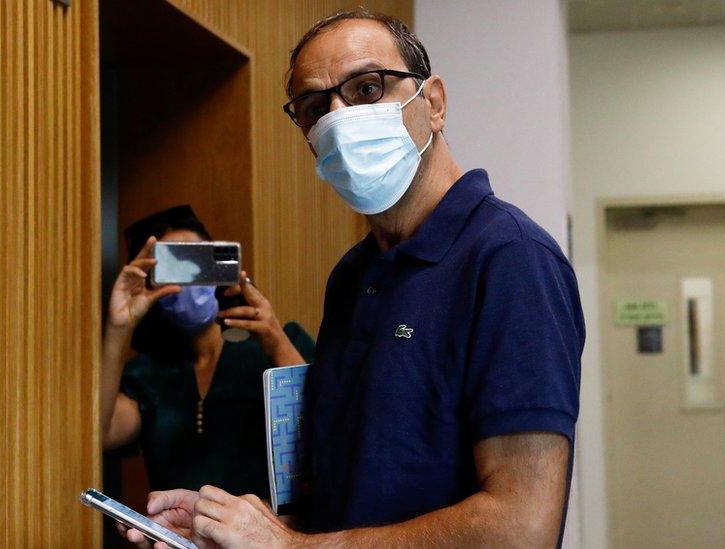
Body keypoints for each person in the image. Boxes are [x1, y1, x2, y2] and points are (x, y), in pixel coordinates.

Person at [125, 10, 584, 549]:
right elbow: (349, 502)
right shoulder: (352, 275)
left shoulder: (511, 259)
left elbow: (521, 529)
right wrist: (238, 530)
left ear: (433, 103)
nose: (340, 120)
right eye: (315, 108)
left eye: (367, 88)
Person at [101, 205, 315, 516]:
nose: (188, 282)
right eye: (174, 267)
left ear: (216, 267)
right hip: (180, 537)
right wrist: (118, 328)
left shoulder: (277, 344)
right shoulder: (149, 372)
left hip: (269, 535)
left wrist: (278, 343)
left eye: (196, 260)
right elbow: (104, 432)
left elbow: (330, 425)